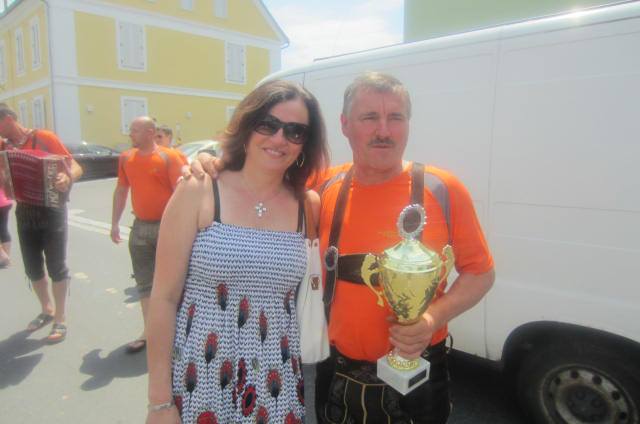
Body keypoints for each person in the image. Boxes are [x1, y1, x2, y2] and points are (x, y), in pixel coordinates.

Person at [190, 72, 495, 424]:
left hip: (419, 373)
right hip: (336, 372)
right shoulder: (322, 186)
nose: (384, 130)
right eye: (370, 117)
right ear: (345, 125)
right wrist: (212, 163)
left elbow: (481, 273)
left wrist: (431, 319)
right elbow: (259, 180)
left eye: (396, 117)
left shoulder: (442, 189)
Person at [145, 80, 329, 424]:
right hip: (200, 375)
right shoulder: (199, 189)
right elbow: (164, 298)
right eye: (268, 125)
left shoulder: (308, 205)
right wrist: (159, 401)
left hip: (276, 381)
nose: (280, 139)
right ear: (247, 125)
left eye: (295, 132)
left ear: (305, 143)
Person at [0, 103, 83, 343]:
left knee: (57, 265)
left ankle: (60, 317)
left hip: (52, 208)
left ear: (8, 119)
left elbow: (75, 166)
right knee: (32, 267)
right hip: (25, 209)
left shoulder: (44, 137)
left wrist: (67, 176)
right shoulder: (3, 147)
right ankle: (47, 309)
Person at [110, 116, 185, 354]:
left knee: (174, 283)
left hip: (168, 228)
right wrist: (114, 223)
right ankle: (150, 332)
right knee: (144, 283)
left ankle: (177, 333)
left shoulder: (169, 157)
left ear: (150, 132)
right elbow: (121, 190)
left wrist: (183, 228)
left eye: (135, 130)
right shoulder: (126, 158)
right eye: (131, 129)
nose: (130, 134)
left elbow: (184, 194)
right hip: (140, 228)